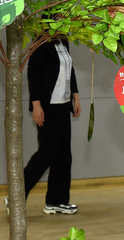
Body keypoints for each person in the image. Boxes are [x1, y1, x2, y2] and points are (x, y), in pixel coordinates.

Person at [21, 34, 81, 214]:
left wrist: (76, 97)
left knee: (64, 155)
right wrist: (36, 105)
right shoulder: (41, 42)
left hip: (63, 105)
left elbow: (70, 70)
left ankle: (57, 201)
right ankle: (16, 195)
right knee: (46, 154)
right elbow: (33, 72)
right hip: (48, 106)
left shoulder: (64, 41)